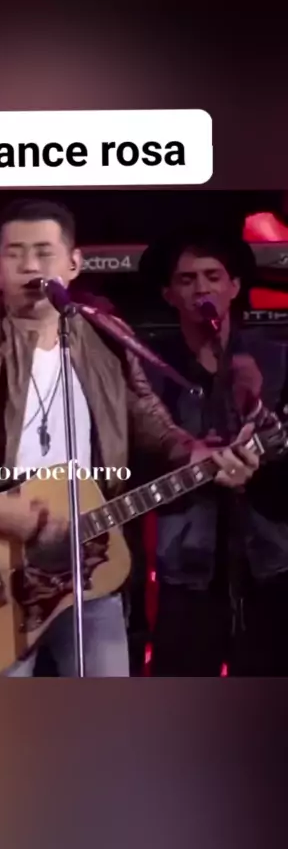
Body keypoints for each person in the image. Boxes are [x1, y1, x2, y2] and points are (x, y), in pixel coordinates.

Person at [0, 200, 259, 678]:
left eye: (43, 252)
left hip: (89, 562)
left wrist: (198, 453)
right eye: (15, 253)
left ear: (73, 263)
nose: (30, 266)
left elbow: (155, 428)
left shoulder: (106, 335)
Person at [139, 228, 288, 676]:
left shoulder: (276, 360)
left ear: (234, 287)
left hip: (270, 562)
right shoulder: (148, 369)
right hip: (186, 565)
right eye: (186, 280)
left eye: (213, 276)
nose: (201, 288)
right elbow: (137, 454)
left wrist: (255, 409)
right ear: (169, 294)